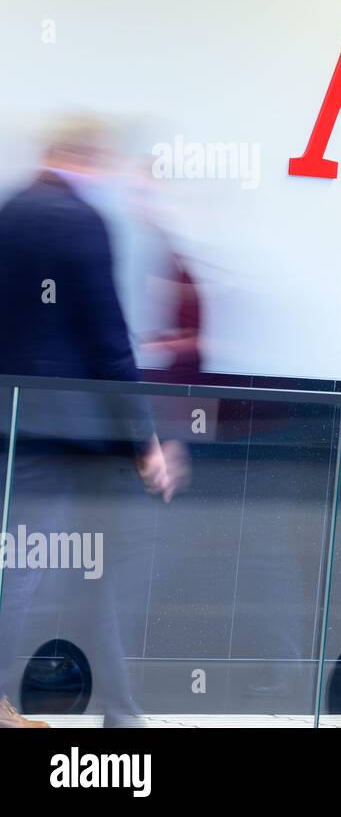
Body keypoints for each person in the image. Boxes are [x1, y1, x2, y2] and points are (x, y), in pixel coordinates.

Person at [0, 113, 175, 727]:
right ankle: (121, 714)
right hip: (78, 438)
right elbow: (108, 341)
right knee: (81, 576)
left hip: (17, 427)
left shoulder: (10, 212)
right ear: (82, 158)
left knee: (23, 561)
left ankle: (121, 712)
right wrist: (145, 438)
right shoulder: (82, 221)